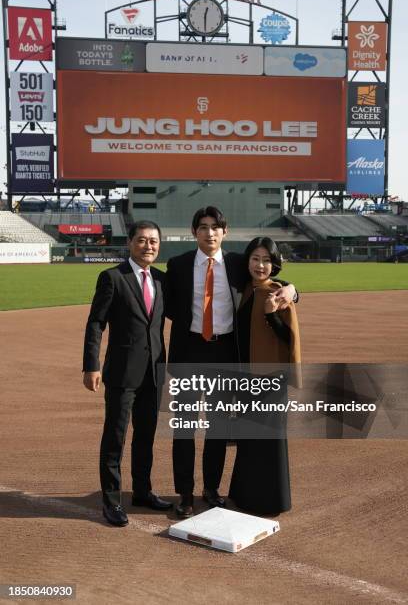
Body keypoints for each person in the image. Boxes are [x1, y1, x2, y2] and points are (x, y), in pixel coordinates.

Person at [165, 207, 297, 519]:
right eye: (203, 227)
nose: (209, 233)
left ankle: (211, 490)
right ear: (193, 231)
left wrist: (294, 290)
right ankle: (185, 493)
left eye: (215, 227)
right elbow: (168, 306)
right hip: (188, 353)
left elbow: (271, 277)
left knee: (218, 428)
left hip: (224, 354)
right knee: (184, 428)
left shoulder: (238, 264)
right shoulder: (178, 265)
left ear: (225, 232)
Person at [82, 221, 172, 527]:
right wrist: (91, 365)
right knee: (115, 437)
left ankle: (143, 491)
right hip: (122, 373)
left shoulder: (161, 280)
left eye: (154, 242)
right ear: (130, 243)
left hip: (154, 372)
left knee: (145, 435)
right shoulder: (112, 278)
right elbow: (96, 323)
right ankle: (111, 501)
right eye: (142, 241)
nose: (149, 246)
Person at [229, 237, 301, 516]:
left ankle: (271, 500)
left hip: (270, 378)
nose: (260, 265)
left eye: (267, 260)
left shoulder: (278, 292)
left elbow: (289, 339)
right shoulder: (245, 289)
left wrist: (273, 313)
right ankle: (244, 496)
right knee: (248, 437)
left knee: (269, 439)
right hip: (245, 375)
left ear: (275, 264)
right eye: (256, 259)